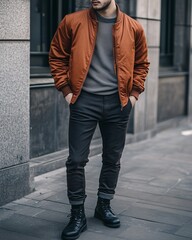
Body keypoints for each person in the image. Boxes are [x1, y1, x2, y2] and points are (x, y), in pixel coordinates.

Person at [49, 0, 149, 239]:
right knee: (76, 159)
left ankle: (103, 205)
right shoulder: (72, 21)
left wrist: (134, 95)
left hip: (118, 103)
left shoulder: (133, 27)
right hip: (84, 102)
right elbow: (57, 56)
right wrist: (67, 91)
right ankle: (77, 214)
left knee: (112, 158)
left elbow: (141, 64)